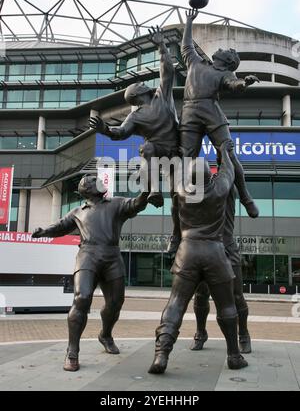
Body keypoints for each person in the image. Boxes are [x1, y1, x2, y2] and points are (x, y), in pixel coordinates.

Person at [32, 174, 151, 372]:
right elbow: (60, 227)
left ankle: (105, 334)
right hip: (88, 255)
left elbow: (137, 204)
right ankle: (72, 351)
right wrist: (44, 231)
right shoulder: (78, 212)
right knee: (82, 298)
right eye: (94, 181)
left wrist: (146, 190)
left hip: (112, 256)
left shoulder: (117, 204)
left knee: (115, 303)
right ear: (87, 189)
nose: (100, 182)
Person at [148, 140, 248, 374]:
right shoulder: (219, 189)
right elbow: (228, 171)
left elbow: (178, 171)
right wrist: (223, 151)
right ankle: (234, 355)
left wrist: (182, 152)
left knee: (175, 303)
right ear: (209, 177)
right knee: (227, 305)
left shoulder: (182, 191)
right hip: (214, 251)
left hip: (188, 252)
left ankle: (161, 355)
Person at [89, 26, 180, 253]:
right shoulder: (135, 115)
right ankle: (154, 190)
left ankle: (177, 234)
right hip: (159, 152)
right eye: (140, 85)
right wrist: (106, 130)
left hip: (179, 150)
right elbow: (121, 133)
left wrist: (161, 46)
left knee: (179, 199)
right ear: (139, 92)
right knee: (146, 148)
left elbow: (166, 69)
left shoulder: (162, 97)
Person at [179, 8, 259, 226]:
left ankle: (246, 198)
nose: (222, 49)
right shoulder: (195, 62)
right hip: (189, 114)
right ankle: (182, 223)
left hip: (212, 113)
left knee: (228, 156)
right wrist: (188, 22)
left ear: (229, 60)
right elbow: (185, 46)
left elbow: (234, 85)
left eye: (227, 50)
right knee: (183, 161)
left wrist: (245, 82)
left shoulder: (225, 74)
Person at [191, 182, 251, 354]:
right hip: (203, 249)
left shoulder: (227, 189)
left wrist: (223, 153)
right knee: (201, 295)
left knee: (237, 295)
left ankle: (244, 334)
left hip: (226, 248)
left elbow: (231, 166)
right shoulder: (196, 194)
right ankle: (200, 332)